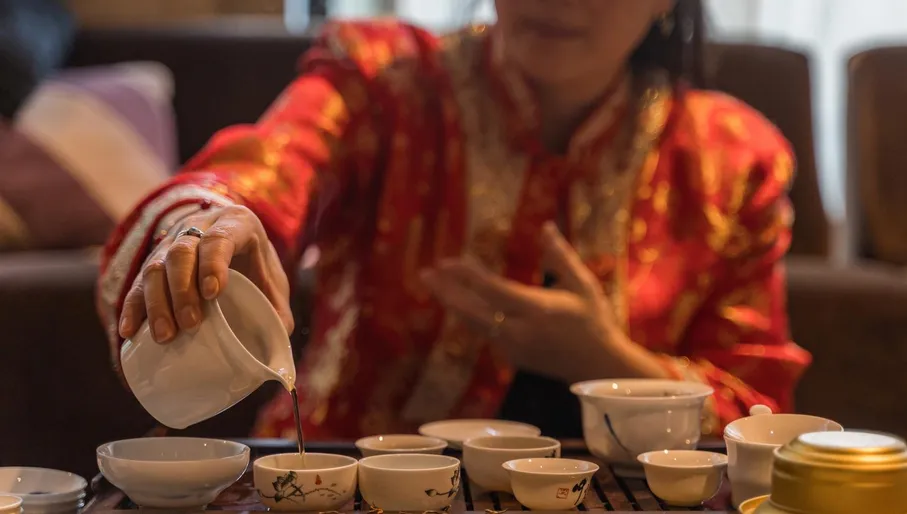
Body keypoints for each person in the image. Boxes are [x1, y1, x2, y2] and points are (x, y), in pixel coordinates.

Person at [99, 0, 811, 441]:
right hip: (345, 477)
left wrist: (606, 363)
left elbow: (760, 418)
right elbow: (270, 164)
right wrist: (209, 220)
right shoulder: (386, 79)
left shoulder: (728, 161)